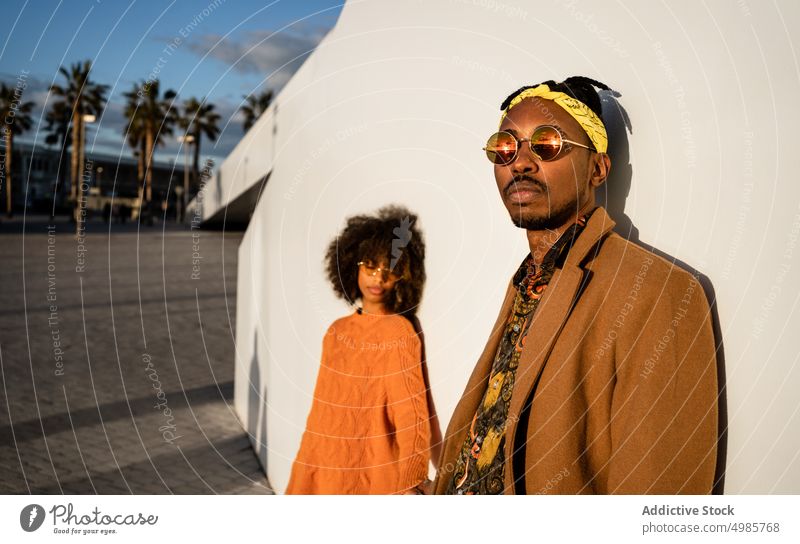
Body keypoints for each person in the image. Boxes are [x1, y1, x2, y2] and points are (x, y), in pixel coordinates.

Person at [432, 76, 718, 494]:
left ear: (598, 169)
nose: (521, 162)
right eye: (505, 147)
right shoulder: (524, 283)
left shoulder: (659, 292)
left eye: (547, 145)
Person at [285, 205, 434, 494]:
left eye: (388, 271)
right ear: (353, 263)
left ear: (403, 276)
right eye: (370, 266)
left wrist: (414, 477)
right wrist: (304, 470)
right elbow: (320, 412)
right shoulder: (337, 331)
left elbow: (411, 414)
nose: (378, 278)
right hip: (327, 465)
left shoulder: (399, 332)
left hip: (376, 470)